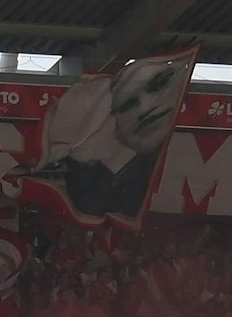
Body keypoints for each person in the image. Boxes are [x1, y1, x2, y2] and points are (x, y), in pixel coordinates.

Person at [29, 52, 192, 220]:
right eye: (128, 105)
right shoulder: (87, 188)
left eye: (160, 84)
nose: (146, 106)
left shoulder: (166, 160)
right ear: (114, 122)